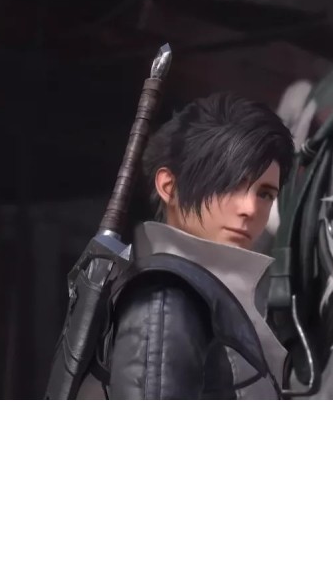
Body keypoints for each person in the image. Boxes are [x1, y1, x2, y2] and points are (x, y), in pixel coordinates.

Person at [105, 91, 294, 399]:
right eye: (230, 183)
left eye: (265, 193)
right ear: (170, 187)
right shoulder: (167, 298)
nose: (250, 208)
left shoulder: (214, 296)